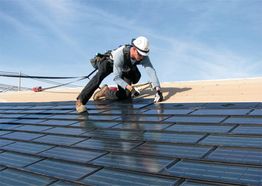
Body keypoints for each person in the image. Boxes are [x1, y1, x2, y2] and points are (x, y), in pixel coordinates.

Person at [76, 36, 163, 113]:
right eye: (140, 55)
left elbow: (150, 70)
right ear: (134, 48)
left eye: (144, 55)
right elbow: (116, 77)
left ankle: (105, 91)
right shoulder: (120, 54)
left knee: (126, 95)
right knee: (99, 76)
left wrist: (158, 89)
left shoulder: (143, 56)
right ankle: (80, 101)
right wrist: (129, 87)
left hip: (124, 67)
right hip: (110, 63)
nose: (142, 57)